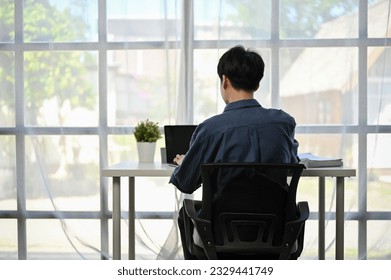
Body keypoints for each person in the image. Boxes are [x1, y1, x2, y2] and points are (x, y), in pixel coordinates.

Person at [169, 45, 299, 259]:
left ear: (225, 80)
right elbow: (291, 164)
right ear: (257, 83)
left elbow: (185, 183)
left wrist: (186, 163)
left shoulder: (210, 129)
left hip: (221, 234)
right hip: (276, 232)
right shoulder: (283, 123)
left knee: (187, 212)